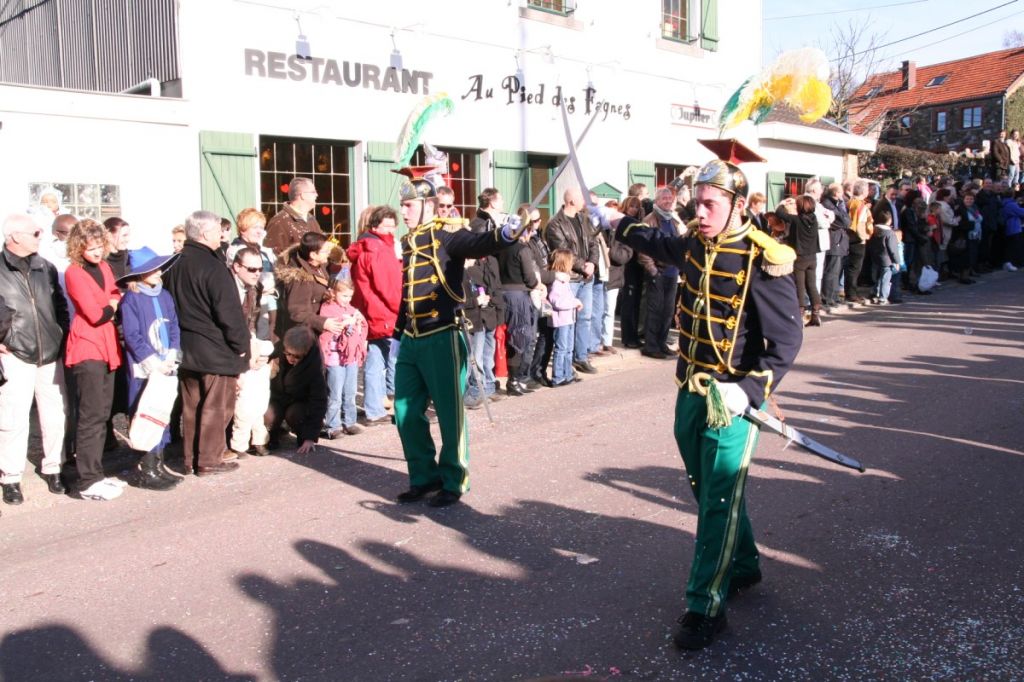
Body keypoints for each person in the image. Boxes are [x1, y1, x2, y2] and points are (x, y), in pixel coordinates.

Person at [616, 139, 803, 651]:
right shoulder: (694, 242)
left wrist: (750, 390)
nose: (700, 213)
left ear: (738, 206)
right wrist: (622, 219)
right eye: (697, 202)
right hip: (688, 388)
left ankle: (705, 606)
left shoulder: (764, 261)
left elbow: (787, 341)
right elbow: (649, 240)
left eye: (710, 204)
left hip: (733, 402)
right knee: (705, 489)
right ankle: (743, 564)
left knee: (716, 501)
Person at [391, 166, 520, 508]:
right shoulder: (407, 241)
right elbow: (408, 291)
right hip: (411, 337)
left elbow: (478, 242)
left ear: (428, 205)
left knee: (450, 414)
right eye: (402, 205)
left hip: (442, 335)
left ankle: (453, 479)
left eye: (408, 205)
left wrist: (505, 235)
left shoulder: (446, 235)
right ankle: (423, 476)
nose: (402, 211)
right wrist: (396, 333)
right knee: (404, 413)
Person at [164, 210, 251, 476]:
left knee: (192, 406)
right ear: (204, 234)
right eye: (216, 231)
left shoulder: (174, 263)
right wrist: (241, 346)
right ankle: (209, 459)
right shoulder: (213, 267)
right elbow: (229, 312)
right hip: (214, 347)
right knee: (217, 406)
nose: (221, 235)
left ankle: (191, 458)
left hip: (186, 345)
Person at [0, 214, 69, 505]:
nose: (41, 237)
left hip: (50, 352)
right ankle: (11, 477)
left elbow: (59, 305)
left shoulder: (46, 267)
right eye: (35, 233)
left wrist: (60, 333)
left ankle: (55, 467)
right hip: (16, 352)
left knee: (55, 413)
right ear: (14, 236)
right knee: (13, 418)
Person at [64, 220, 125, 500]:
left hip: (107, 345)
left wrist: (111, 305)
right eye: (91, 248)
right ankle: (87, 479)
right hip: (87, 346)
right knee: (90, 415)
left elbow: (115, 295)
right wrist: (111, 305)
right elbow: (94, 313)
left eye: (100, 246)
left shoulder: (103, 267)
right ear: (79, 247)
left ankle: (97, 473)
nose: (98, 252)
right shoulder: (74, 273)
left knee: (102, 413)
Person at [117, 248, 183, 491]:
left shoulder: (164, 295)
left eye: (158, 268)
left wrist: (173, 352)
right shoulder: (132, 299)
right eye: (151, 269)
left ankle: (159, 463)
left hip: (167, 363)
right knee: (146, 413)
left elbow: (174, 324)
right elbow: (132, 336)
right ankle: (146, 468)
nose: (157, 273)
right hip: (145, 367)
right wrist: (152, 361)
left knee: (163, 412)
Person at [347, 206, 402, 425]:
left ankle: (373, 408)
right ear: (375, 226)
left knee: (375, 361)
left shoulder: (366, 246)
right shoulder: (377, 249)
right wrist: (402, 308)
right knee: (396, 360)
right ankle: (397, 405)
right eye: (385, 225)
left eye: (392, 225)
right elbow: (388, 286)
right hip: (385, 312)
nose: (390, 229)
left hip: (371, 311)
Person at [227, 247, 275, 458]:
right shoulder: (228, 288)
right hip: (234, 348)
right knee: (242, 404)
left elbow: (251, 322)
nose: (257, 272)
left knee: (259, 398)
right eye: (252, 268)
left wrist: (256, 349)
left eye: (260, 268)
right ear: (237, 267)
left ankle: (259, 440)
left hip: (251, 342)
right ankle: (238, 444)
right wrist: (245, 353)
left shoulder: (253, 288)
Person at [544, 187, 598, 374]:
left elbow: (594, 242)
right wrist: (582, 266)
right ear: (571, 201)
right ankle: (563, 366)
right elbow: (563, 251)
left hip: (586, 277)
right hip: (571, 278)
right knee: (568, 321)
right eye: (581, 198)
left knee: (585, 318)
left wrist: (592, 263)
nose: (585, 201)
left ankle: (581, 357)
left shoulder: (585, 220)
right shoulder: (555, 224)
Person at [498, 204, 541, 396]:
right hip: (518, 297)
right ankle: (514, 380)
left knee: (509, 338)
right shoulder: (522, 250)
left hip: (502, 294)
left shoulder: (501, 248)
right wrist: (537, 284)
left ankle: (514, 379)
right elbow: (530, 279)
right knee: (519, 338)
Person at [265, 326, 328, 454]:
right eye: (288, 354)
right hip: (277, 396)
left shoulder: (314, 368)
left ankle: (303, 435)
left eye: (297, 357)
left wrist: (310, 437)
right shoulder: (278, 351)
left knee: (295, 414)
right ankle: (271, 435)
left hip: (299, 402)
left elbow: (319, 401)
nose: (290, 359)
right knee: (268, 413)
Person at [319, 279, 368, 439]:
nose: (347, 299)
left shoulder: (351, 309)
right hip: (334, 357)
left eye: (350, 296)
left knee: (350, 391)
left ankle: (350, 422)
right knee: (335, 393)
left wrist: (358, 321)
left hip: (350, 357)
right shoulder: (327, 308)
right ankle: (332, 426)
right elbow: (328, 331)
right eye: (344, 295)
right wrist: (346, 321)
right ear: (334, 293)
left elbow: (360, 324)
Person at [640, 186, 685, 358]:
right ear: (657, 200)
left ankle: (661, 342)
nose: (668, 201)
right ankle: (651, 346)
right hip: (657, 272)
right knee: (655, 310)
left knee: (668, 311)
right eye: (664, 198)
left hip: (672, 272)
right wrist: (652, 270)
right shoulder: (649, 219)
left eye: (671, 199)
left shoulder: (673, 220)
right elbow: (643, 249)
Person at [275, 231, 343, 340]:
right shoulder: (300, 279)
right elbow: (298, 313)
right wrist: (323, 323)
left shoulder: (319, 265)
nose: (328, 254)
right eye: (325, 251)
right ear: (313, 255)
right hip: (306, 337)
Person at [226, 208, 278, 341]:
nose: (260, 231)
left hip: (263, 302)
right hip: (245, 302)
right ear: (243, 229)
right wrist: (266, 288)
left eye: (261, 227)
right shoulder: (237, 251)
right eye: (255, 227)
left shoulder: (262, 250)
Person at [462, 252, 504, 408]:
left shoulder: (490, 262)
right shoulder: (465, 272)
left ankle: (487, 385)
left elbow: (495, 286)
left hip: (488, 313)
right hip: (474, 317)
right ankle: (475, 389)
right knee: (474, 357)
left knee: (487, 353)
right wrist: (477, 300)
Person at [779, 195, 823, 326]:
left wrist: (783, 203)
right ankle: (816, 315)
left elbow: (779, 213)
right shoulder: (814, 219)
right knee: (812, 285)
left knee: (800, 287)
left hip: (800, 258)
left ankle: (800, 316)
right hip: (812, 257)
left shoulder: (796, 220)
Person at [546, 249, 582, 387]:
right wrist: (575, 302)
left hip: (568, 318)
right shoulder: (557, 282)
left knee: (568, 348)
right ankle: (558, 376)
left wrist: (575, 302)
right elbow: (557, 302)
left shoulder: (564, 280)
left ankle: (567, 374)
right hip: (561, 320)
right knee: (561, 348)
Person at [265, 177, 322, 256]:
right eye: (313, 192)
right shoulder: (280, 221)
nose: (317, 195)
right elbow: (272, 257)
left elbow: (321, 248)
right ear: (303, 195)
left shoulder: (311, 219)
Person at [820, 183, 850, 311]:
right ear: (836, 193)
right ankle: (827, 298)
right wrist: (843, 220)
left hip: (839, 241)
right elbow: (841, 221)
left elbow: (847, 220)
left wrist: (843, 220)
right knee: (831, 271)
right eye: (841, 192)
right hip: (834, 242)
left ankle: (833, 296)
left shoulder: (837, 204)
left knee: (836, 271)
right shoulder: (827, 204)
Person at [844, 180, 873, 305]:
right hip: (857, 239)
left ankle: (850, 292)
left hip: (849, 238)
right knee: (855, 268)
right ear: (864, 191)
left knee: (851, 268)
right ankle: (852, 293)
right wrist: (863, 237)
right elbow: (860, 224)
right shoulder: (860, 205)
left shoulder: (850, 202)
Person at [867, 205, 901, 305]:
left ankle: (874, 293)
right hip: (887, 259)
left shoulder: (874, 230)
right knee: (885, 278)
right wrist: (897, 261)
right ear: (889, 220)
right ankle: (883, 297)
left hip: (876, 257)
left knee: (878, 277)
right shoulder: (889, 233)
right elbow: (892, 248)